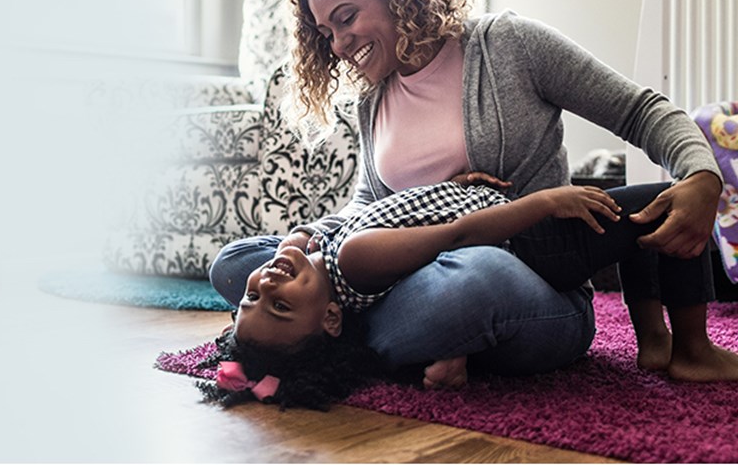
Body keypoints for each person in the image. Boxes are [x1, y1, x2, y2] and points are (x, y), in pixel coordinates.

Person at [210, 0, 726, 391]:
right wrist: (312, 239)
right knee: (236, 265)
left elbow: (640, 110)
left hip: (523, 276)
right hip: (403, 279)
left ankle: (330, 339)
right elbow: (366, 209)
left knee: (472, 279)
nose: (340, 45)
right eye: (327, 33)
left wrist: (702, 175)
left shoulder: (508, 46)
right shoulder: (374, 98)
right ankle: (360, 332)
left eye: (346, 19)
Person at [197, 174, 737, 410]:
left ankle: (654, 342)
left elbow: (404, 210)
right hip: (527, 243)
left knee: (640, 222)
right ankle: (691, 350)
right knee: (667, 201)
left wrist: (451, 185)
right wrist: (544, 202)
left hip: (502, 230)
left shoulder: (322, 256)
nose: (265, 283)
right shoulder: (353, 258)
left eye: (250, 299)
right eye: (281, 305)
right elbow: (456, 234)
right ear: (333, 319)